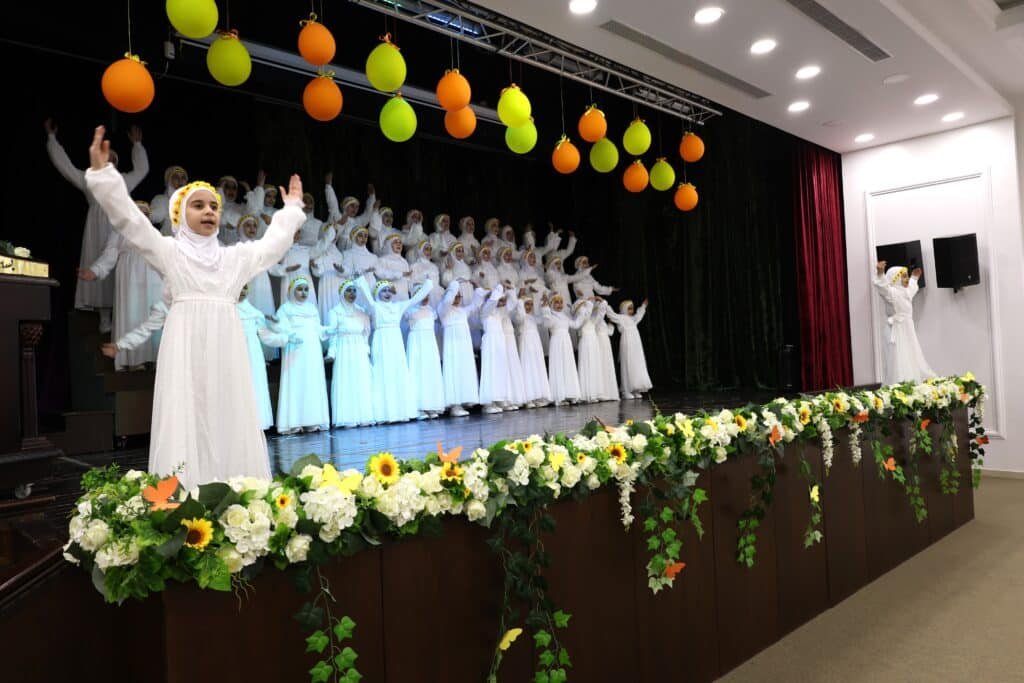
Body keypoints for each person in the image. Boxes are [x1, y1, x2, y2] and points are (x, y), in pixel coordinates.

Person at [83, 125, 303, 488]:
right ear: (178, 214)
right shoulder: (169, 252)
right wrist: (104, 176)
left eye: (214, 205)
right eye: (198, 205)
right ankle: (183, 489)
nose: (209, 211)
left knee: (228, 407)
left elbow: (271, 247)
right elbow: (131, 222)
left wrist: (291, 211)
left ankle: (235, 489)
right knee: (186, 409)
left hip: (226, 345)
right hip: (185, 343)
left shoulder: (234, 259)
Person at [46, 119, 149, 332]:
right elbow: (65, 167)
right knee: (99, 262)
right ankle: (104, 317)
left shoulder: (124, 181)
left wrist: (138, 145)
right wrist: (52, 139)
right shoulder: (88, 179)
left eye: (112, 160)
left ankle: (122, 315)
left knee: (119, 265)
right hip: (96, 228)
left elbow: (142, 169)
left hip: (119, 225)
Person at [77, 199, 162, 371]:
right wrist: (94, 271)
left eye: (145, 214)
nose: (142, 216)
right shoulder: (121, 231)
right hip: (130, 278)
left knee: (151, 315)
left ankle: (154, 357)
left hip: (152, 280)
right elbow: (109, 254)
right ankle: (134, 359)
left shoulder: (155, 235)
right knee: (132, 314)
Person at [356, 276, 433, 423]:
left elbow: (415, 299)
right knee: (383, 374)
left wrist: (428, 284)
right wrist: (361, 280)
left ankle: (402, 411)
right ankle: (385, 414)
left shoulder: (398, 306)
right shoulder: (375, 306)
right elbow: (367, 297)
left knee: (398, 373)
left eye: (389, 290)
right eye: (383, 290)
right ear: (377, 293)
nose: (387, 293)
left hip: (395, 342)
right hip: (381, 341)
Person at [275, 277, 331, 434]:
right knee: (296, 381)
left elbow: (318, 329)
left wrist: (327, 330)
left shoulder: (312, 308)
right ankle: (294, 422)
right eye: (300, 289)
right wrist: (291, 334)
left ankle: (312, 420)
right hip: (295, 348)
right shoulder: (285, 308)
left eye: (306, 289)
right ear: (292, 291)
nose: (303, 292)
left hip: (312, 349)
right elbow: (280, 327)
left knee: (312, 382)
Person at [237, 284, 292, 430]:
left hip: (252, 352)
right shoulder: (227, 312)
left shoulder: (255, 313)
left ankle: (254, 423)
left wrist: (285, 338)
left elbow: (265, 336)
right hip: (234, 351)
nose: (242, 291)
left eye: (245, 288)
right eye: (239, 287)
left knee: (254, 384)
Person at [873, 261, 935, 384]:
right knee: (898, 357)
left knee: (911, 353)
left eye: (906, 276)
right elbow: (883, 288)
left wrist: (914, 277)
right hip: (897, 330)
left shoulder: (905, 292)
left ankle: (912, 380)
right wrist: (880, 273)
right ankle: (899, 383)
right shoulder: (892, 293)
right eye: (904, 277)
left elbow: (912, 287)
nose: (906, 279)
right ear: (895, 279)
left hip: (908, 329)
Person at [325, 280, 375, 428]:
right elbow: (333, 334)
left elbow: (366, 333)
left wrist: (366, 350)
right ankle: (347, 417)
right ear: (342, 293)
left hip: (359, 349)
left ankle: (364, 416)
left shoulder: (361, 311)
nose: (352, 293)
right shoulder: (335, 311)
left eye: (354, 290)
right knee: (346, 380)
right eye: (348, 290)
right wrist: (332, 352)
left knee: (361, 380)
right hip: (344, 349)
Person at [437, 280, 484, 416]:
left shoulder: (463, 311)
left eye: (459, 296)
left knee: (464, 371)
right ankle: (454, 405)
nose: (457, 299)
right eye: (455, 296)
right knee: (453, 371)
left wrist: (477, 288)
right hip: (452, 347)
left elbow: (476, 304)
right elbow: (447, 301)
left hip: (464, 347)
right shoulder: (443, 310)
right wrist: (455, 283)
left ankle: (464, 400)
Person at [404, 283, 446, 419]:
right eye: (422, 295)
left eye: (427, 295)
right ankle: (418, 407)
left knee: (430, 373)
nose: (425, 298)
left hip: (429, 345)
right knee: (418, 372)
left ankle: (431, 404)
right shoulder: (410, 311)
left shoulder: (431, 311)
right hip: (417, 344)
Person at [543, 294, 591, 406]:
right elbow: (547, 324)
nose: (559, 305)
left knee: (568, 366)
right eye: (556, 302)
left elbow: (575, 324)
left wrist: (582, 311)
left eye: (561, 302)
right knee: (559, 367)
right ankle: (559, 396)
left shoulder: (564, 316)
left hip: (566, 343)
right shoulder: (550, 315)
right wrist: (545, 309)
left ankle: (570, 394)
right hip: (556, 342)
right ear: (552, 304)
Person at [606, 298, 652, 399]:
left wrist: (643, 306)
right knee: (627, 363)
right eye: (629, 308)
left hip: (635, 343)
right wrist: (605, 304)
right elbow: (611, 314)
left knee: (636, 364)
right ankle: (626, 390)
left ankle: (635, 388)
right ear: (624, 309)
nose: (632, 310)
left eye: (632, 308)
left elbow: (639, 315)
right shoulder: (621, 318)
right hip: (627, 342)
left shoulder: (632, 319)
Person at [513, 292, 552, 408]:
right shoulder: (519, 316)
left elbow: (545, 321)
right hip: (525, 344)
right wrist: (520, 303)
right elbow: (520, 319)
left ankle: (538, 395)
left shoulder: (533, 318)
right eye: (527, 304)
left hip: (535, 346)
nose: (529, 307)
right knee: (527, 368)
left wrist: (544, 306)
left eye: (531, 304)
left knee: (536, 368)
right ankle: (528, 397)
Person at [150, 165, 189, 236]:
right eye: (176, 177)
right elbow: (155, 215)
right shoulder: (162, 199)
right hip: (169, 241)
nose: (180, 180)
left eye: (183, 178)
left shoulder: (192, 201)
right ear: (169, 180)